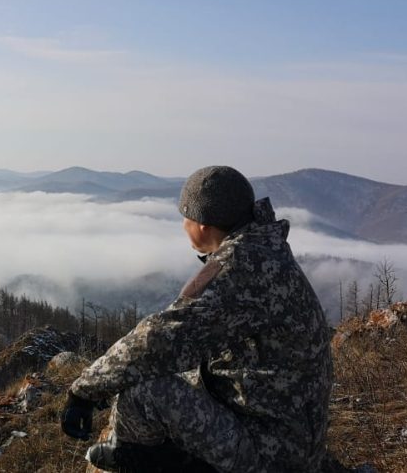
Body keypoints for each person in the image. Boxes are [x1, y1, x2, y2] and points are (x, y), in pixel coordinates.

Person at [61, 166, 334, 473]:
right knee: (185, 376)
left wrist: (83, 391)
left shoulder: (237, 269)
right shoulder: (264, 249)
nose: (183, 225)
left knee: (143, 392)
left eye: (185, 217)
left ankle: (137, 462)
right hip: (290, 433)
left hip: (272, 454)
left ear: (203, 225)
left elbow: (159, 339)